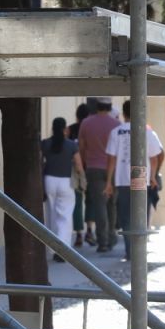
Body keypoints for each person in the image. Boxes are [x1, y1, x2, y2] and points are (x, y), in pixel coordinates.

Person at [104, 100, 165, 245]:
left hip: (122, 177)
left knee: (125, 216)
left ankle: (130, 250)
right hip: (139, 172)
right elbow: (157, 156)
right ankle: (140, 249)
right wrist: (153, 175)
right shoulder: (146, 130)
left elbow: (111, 159)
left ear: (124, 114)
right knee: (141, 215)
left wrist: (108, 182)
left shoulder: (116, 132)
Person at [78, 98, 121, 252]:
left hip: (93, 167)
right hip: (113, 169)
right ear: (110, 107)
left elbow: (82, 147)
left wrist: (84, 163)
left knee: (99, 205)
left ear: (96, 107)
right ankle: (112, 237)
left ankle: (103, 241)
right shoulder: (117, 125)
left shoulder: (86, 123)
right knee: (112, 204)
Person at [40, 117, 78, 260]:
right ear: (64, 129)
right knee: (65, 215)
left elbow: (39, 160)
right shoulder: (71, 145)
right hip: (66, 182)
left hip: (49, 180)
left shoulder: (45, 143)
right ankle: (63, 248)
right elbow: (79, 165)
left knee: (51, 214)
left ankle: (52, 246)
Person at [69, 103, 90, 247]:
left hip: (76, 171)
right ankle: (90, 230)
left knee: (77, 203)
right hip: (91, 168)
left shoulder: (70, 129)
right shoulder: (90, 128)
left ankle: (79, 234)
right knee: (91, 202)